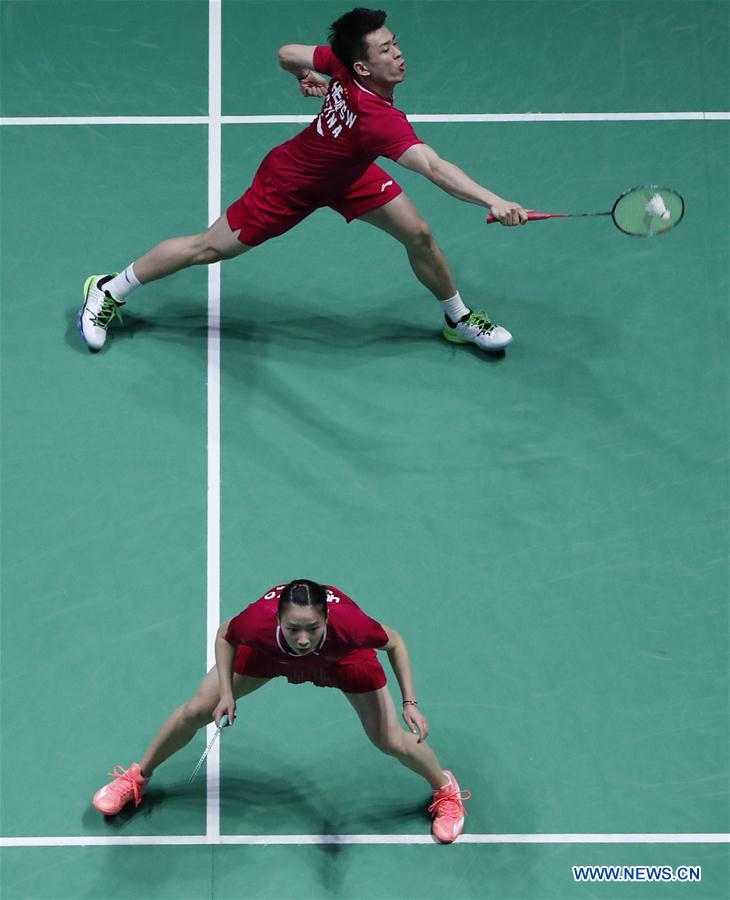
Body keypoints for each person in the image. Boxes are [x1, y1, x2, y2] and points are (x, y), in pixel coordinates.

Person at [79, 7, 527, 356]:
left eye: (395, 43)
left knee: (420, 235)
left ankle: (458, 319)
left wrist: (307, 74)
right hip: (292, 182)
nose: (398, 54)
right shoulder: (379, 119)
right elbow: (433, 167)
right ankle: (108, 289)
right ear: (363, 67)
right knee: (208, 248)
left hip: (350, 171)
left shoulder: (341, 64)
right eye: (386, 50)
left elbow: (286, 53)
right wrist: (494, 200)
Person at [92, 579, 472, 843]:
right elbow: (226, 635)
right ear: (278, 620)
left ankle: (446, 791)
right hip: (269, 657)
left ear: (326, 618)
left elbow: (396, 643)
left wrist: (410, 702)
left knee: (391, 740)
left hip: (342, 660)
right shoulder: (257, 623)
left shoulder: (352, 628)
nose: (303, 638)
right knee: (196, 709)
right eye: (293, 628)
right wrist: (226, 693)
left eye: (312, 627)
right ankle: (137, 778)